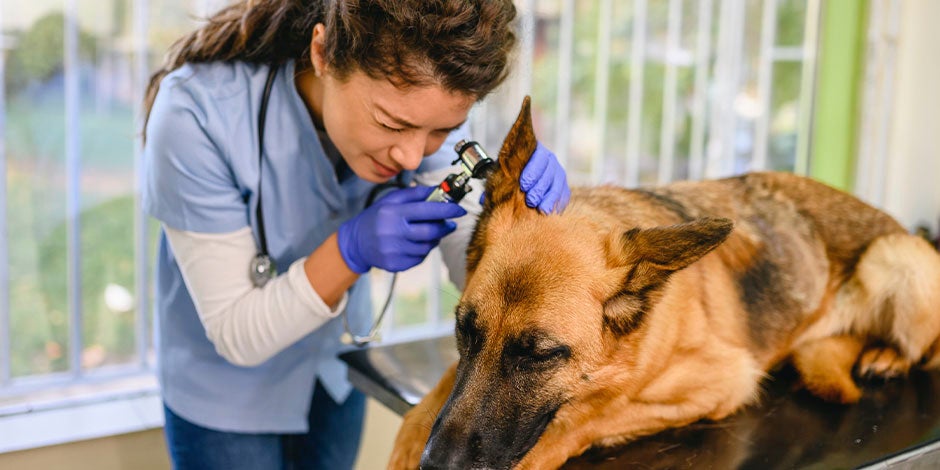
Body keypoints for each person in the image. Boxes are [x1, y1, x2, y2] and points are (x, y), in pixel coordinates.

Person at [141, 0, 570, 468]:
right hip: (223, 396)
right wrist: (350, 251)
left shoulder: (422, 102)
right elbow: (238, 333)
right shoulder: (194, 117)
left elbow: (468, 264)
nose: (411, 156)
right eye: (392, 124)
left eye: (442, 130)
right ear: (323, 54)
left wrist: (522, 222)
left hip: (332, 375)